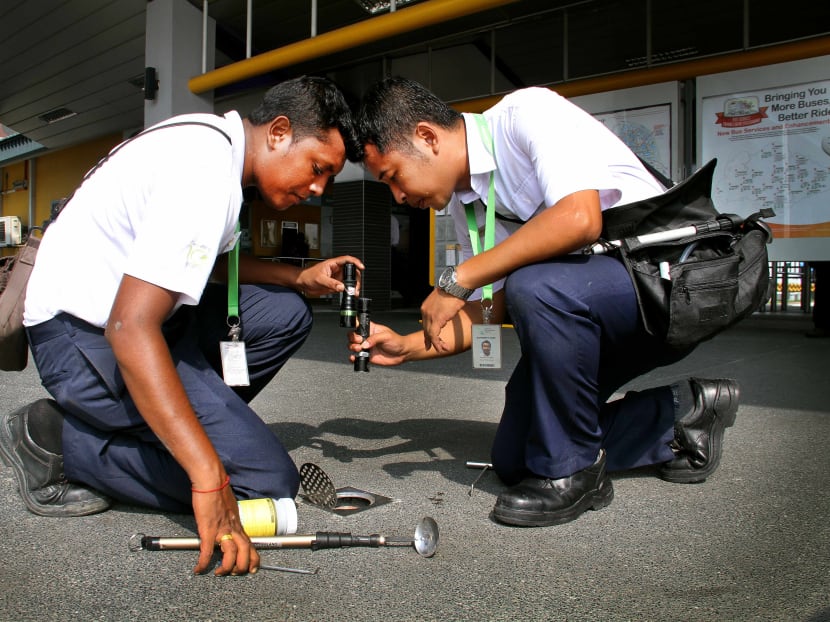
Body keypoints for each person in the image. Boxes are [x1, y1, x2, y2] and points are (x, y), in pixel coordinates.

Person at [0, 76, 364, 575]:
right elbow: (129, 327)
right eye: (318, 168)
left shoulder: (209, 141)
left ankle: (178, 426)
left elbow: (197, 262)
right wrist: (208, 474)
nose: (319, 187)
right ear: (279, 132)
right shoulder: (206, 173)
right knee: (268, 481)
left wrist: (298, 277)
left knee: (284, 312)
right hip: (85, 342)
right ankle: (57, 442)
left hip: (137, 326)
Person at [351, 77, 740, 527]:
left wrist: (457, 279)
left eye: (393, 176)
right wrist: (408, 344)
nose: (398, 196)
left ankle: (575, 472)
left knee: (535, 285)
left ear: (427, 137)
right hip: (588, 310)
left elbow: (579, 219)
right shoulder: (468, 207)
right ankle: (682, 412)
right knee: (517, 460)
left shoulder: (526, 115)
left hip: (669, 286)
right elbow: (489, 311)